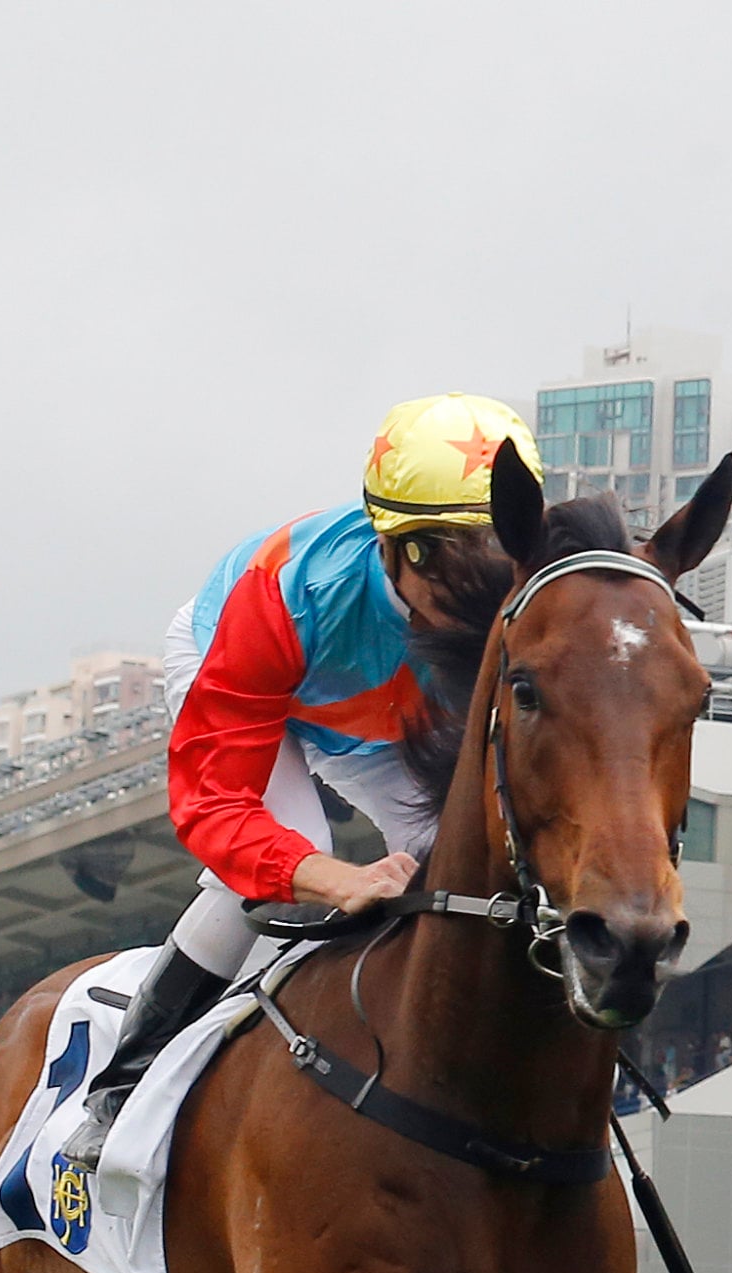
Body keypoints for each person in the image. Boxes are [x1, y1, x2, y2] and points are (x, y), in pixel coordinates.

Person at [57, 392, 539, 1167]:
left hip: (382, 714)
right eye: (467, 574)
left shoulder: (519, 593)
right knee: (283, 865)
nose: (485, 602)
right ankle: (121, 1089)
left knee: (458, 858)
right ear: (403, 551)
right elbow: (216, 807)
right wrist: (333, 877)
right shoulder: (288, 594)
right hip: (247, 670)